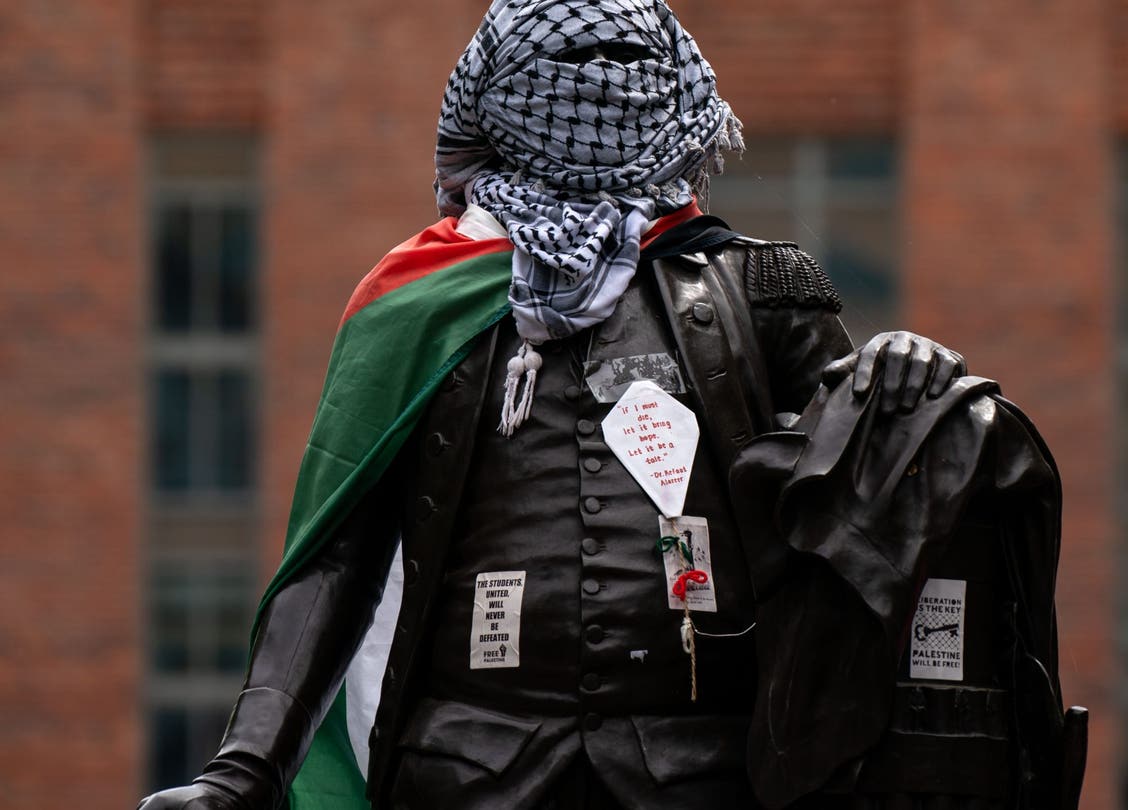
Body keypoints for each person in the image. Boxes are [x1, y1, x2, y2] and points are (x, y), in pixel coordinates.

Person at [137, 2, 1073, 809]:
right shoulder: (418, 305)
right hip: (466, 771)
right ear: (497, 91)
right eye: (564, 61)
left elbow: (853, 490)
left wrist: (906, 378)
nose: (596, 81)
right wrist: (245, 770)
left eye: (622, 58)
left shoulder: (762, 289)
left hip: (704, 772)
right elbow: (335, 559)